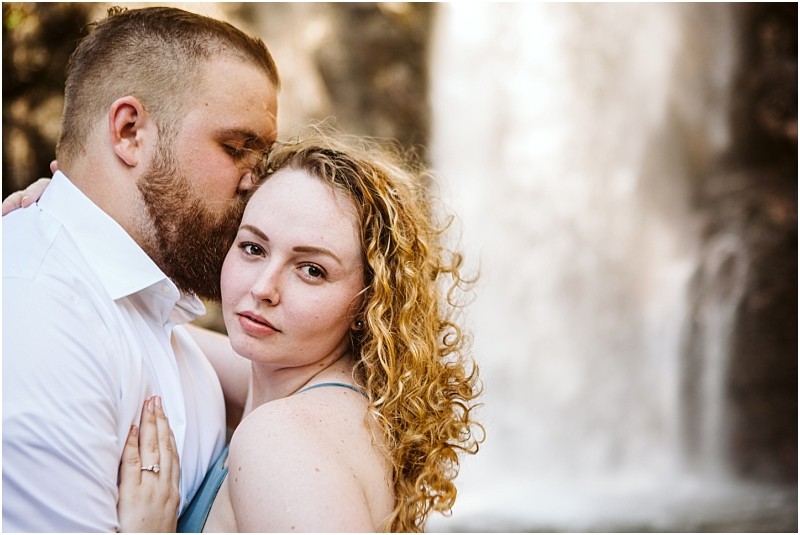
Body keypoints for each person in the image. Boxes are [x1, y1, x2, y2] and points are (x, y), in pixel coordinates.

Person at [111, 131, 483, 532]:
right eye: (253, 248)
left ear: (366, 303)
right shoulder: (298, 386)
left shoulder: (281, 440)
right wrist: (70, 219)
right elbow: (149, 329)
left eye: (312, 270)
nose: (263, 288)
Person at [2, 5, 279, 531]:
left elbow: (323, 380)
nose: (253, 184)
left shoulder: (159, 319)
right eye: (237, 148)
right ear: (130, 131)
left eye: (260, 161)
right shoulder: (36, 321)